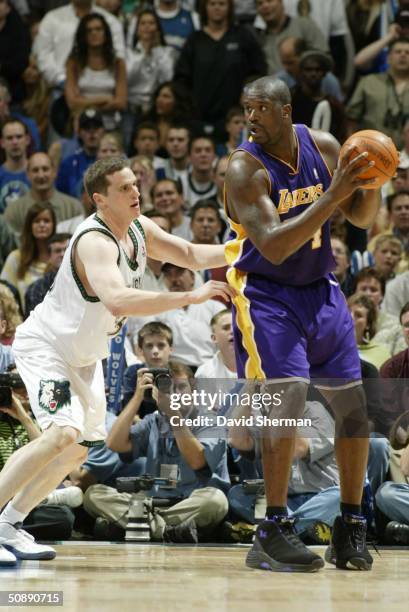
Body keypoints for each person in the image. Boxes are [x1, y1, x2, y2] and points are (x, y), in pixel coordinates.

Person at [0, 156, 233, 565]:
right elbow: (118, 298)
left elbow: (193, 254)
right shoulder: (94, 240)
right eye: (124, 188)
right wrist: (189, 297)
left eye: (135, 184)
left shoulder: (140, 229)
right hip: (47, 350)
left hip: (85, 358)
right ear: (99, 200)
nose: (136, 191)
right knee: (61, 433)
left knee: (75, 452)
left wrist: (251, 249)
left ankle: (10, 524)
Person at [224, 75, 380, 572]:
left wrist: (375, 179)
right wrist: (334, 194)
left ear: (287, 111)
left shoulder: (326, 146)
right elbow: (273, 244)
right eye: (247, 108)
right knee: (286, 398)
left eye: (261, 108)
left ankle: (351, 525)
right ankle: (272, 527)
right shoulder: (244, 168)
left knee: (354, 409)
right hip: (267, 294)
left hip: (321, 290)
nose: (251, 117)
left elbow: (360, 218)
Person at [64, 12, 127, 131]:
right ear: (83, 35)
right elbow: (72, 103)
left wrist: (85, 103)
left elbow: (121, 102)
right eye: (89, 30)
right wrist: (106, 99)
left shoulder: (118, 63)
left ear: (105, 33)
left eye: (98, 29)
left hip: (110, 126)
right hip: (82, 126)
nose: (94, 33)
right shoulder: (73, 63)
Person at [4, 152, 83, 241]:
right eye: (35, 170)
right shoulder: (14, 211)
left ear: (54, 172)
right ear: (27, 174)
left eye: (45, 169)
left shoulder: (73, 208)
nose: (41, 175)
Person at [1, 202, 57, 309]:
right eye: (36, 221)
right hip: (23, 321)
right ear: (29, 226)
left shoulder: (62, 257)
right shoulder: (16, 258)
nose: (42, 225)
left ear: (53, 225)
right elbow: (4, 293)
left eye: (46, 221)